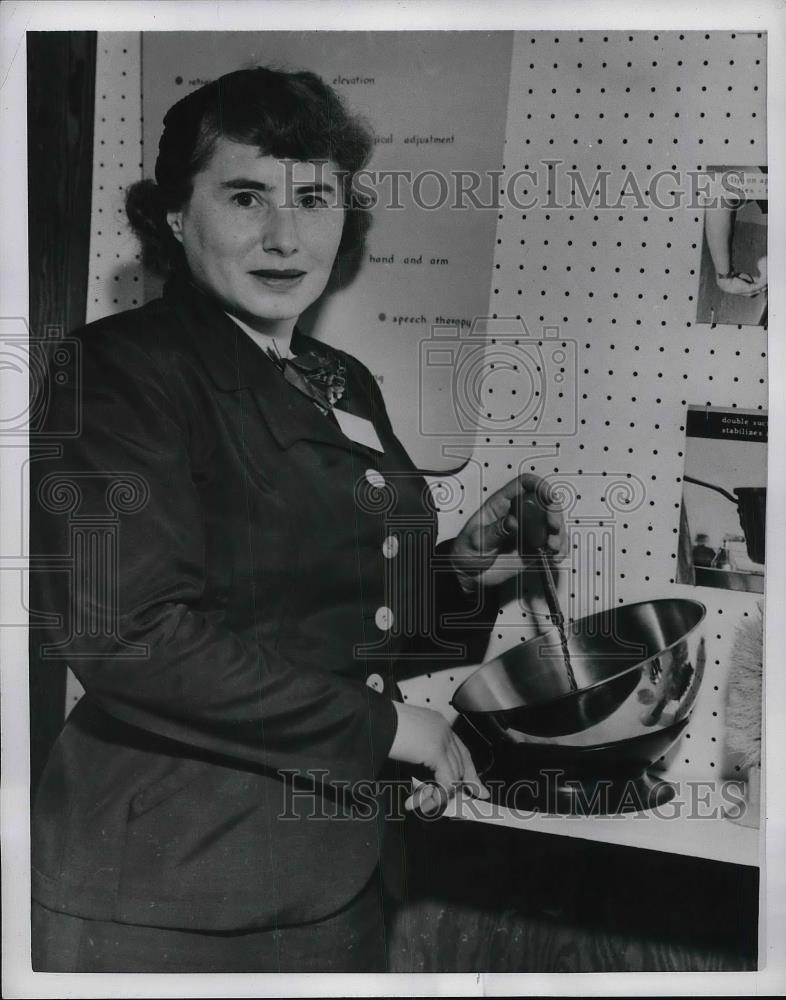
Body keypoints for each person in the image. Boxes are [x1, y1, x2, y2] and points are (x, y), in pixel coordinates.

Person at [29, 67, 565, 973]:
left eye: (314, 199)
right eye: (245, 196)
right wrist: (396, 731)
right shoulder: (117, 372)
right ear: (171, 217)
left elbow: (335, 619)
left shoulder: (337, 379)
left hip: (334, 872)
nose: (285, 236)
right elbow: (131, 638)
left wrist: (463, 568)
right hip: (176, 887)